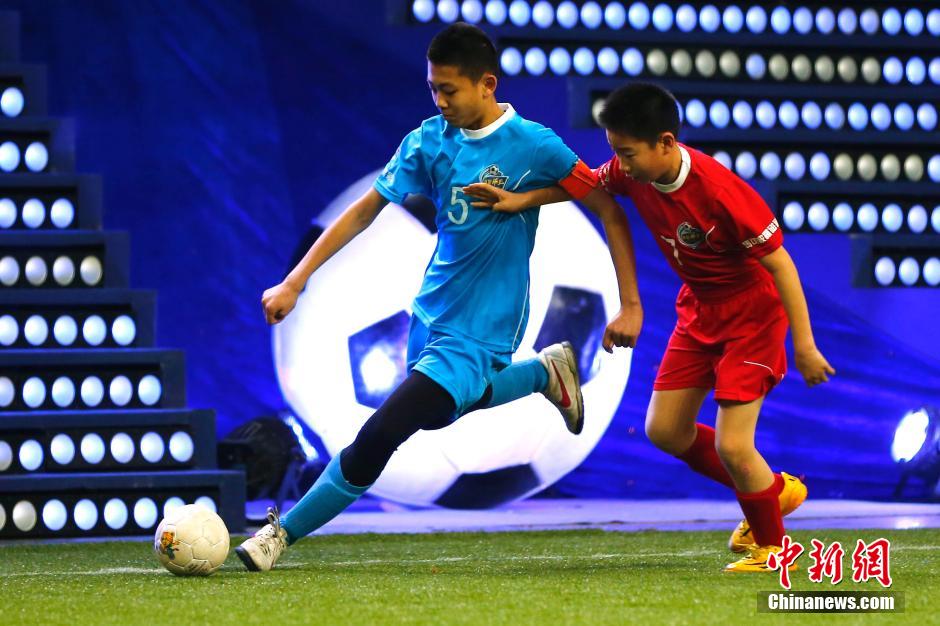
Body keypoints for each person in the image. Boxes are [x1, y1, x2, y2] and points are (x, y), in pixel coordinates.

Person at [235, 23, 643, 572]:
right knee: (440, 412)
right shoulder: (428, 140)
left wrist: (630, 303)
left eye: (449, 89)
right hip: (431, 313)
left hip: (483, 327)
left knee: (380, 433)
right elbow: (364, 211)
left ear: (487, 84)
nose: (439, 100)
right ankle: (543, 373)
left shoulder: (534, 145)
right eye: (433, 88)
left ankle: (278, 537)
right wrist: (296, 279)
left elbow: (609, 209)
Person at [463, 82, 835, 573]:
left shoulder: (721, 193)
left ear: (665, 143)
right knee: (665, 431)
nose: (621, 164)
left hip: (753, 319)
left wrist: (804, 345)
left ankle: (772, 549)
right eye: (616, 152)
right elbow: (589, 187)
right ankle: (772, 491)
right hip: (700, 311)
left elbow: (782, 266)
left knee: (733, 445)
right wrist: (523, 200)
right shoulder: (632, 171)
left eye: (627, 153)